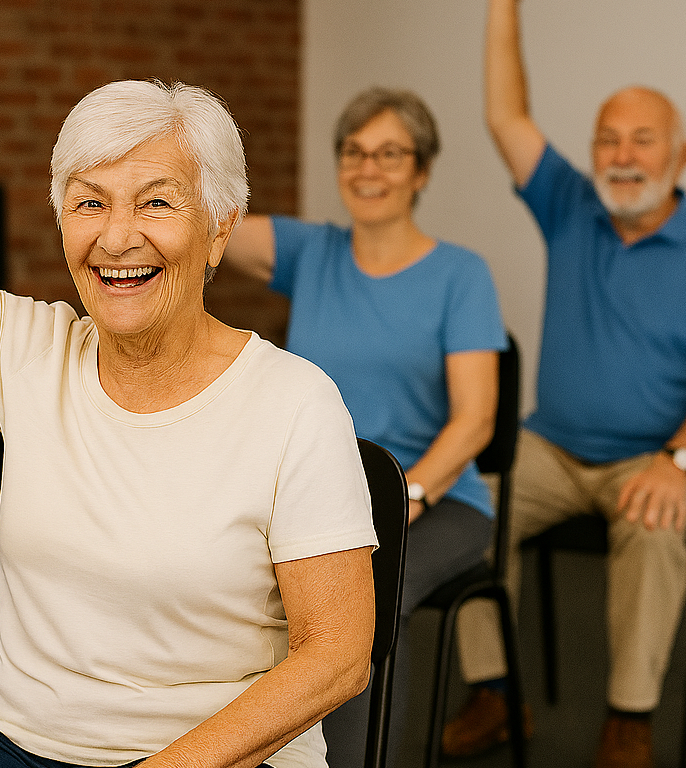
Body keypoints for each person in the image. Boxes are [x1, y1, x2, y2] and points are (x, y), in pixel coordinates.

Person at [0, 4, 381, 768]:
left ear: (219, 229)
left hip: (211, 753)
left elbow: (338, 655)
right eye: (89, 202)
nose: (117, 238)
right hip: (18, 736)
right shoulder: (28, 353)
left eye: (156, 201)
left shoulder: (294, 403)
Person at [441, 1, 686, 766]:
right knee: (466, 504)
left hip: (663, 454)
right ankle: (496, 692)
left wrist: (676, 461)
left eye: (642, 139)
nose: (623, 155)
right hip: (554, 447)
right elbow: (504, 112)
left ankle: (631, 716)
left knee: (654, 525)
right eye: (607, 139)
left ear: (680, 154)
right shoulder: (571, 205)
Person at [222, 87, 506, 768]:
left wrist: (406, 500)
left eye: (388, 154)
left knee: (370, 591)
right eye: (353, 152)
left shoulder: (460, 275)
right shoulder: (311, 252)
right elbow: (210, 222)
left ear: (421, 171)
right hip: (322, 495)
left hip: (438, 501)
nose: (367, 169)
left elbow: (476, 421)